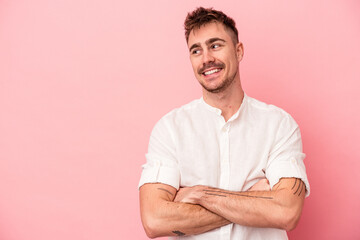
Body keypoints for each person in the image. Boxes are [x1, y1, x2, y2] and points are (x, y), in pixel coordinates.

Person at [138, 7, 310, 240]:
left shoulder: (279, 125)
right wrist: (252, 199)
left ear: (239, 51)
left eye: (215, 45)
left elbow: (286, 212)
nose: (207, 58)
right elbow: (155, 220)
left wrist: (199, 194)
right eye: (196, 50)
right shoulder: (169, 129)